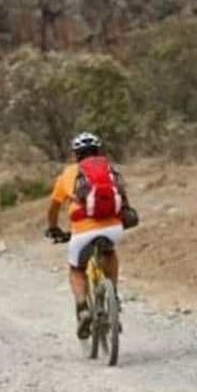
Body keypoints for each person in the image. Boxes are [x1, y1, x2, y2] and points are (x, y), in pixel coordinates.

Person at [45, 132, 128, 340]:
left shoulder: (68, 174)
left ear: (75, 155)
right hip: (112, 228)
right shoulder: (109, 169)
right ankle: (114, 297)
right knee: (110, 253)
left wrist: (53, 228)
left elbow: (53, 207)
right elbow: (123, 199)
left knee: (76, 269)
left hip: (82, 231)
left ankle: (83, 308)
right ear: (99, 151)